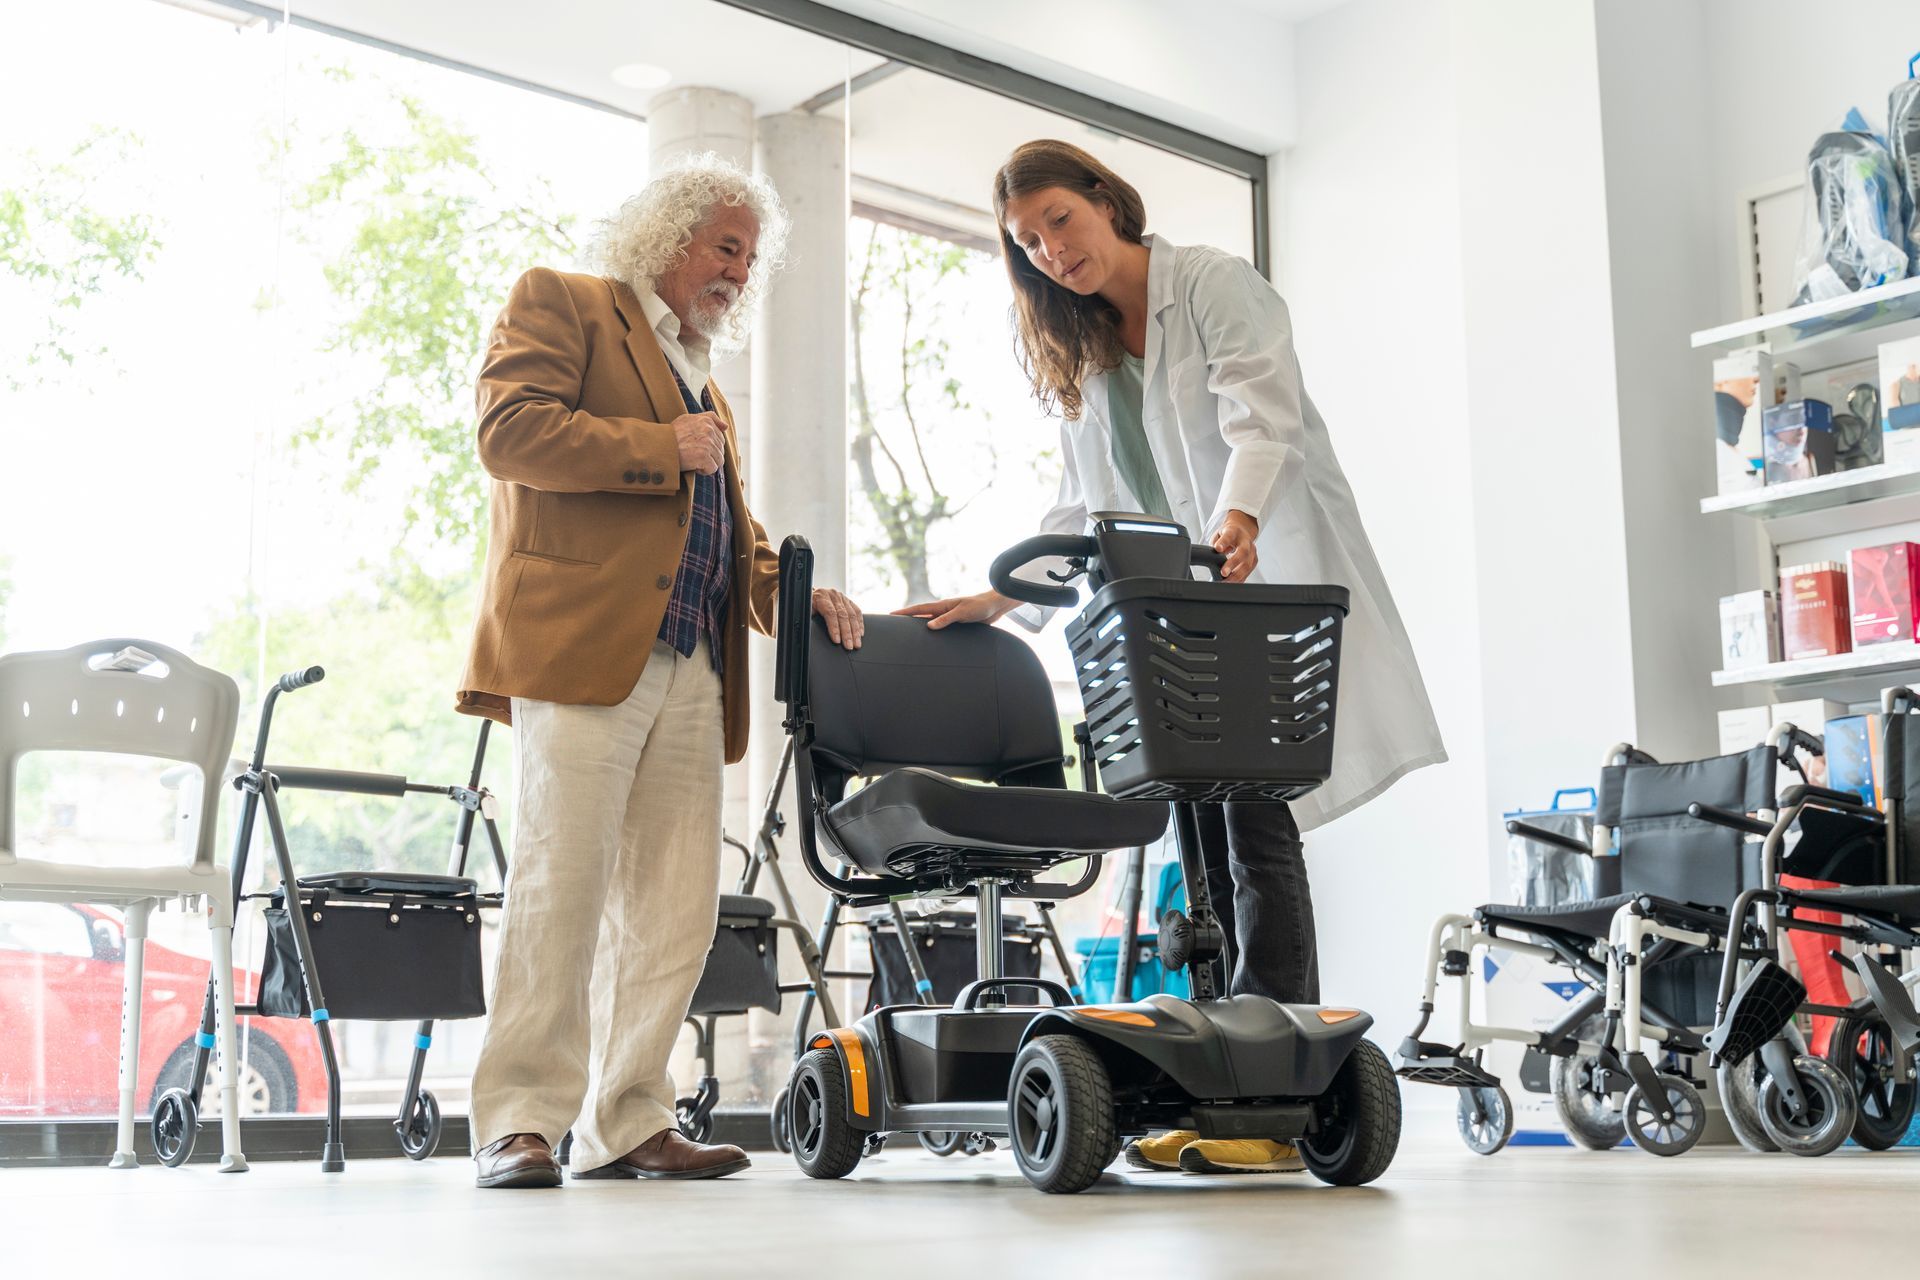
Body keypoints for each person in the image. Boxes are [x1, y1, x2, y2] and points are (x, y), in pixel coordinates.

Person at [895, 139, 1445, 1176]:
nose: (1050, 251)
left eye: (1060, 219)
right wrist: (997, 595)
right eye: (1027, 242)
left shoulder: (1215, 287)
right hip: (1173, 616)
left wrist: (1237, 517)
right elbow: (1083, 500)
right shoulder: (1092, 352)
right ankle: (1215, 1063)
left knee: (1254, 818)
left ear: (1106, 201)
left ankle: (1271, 1086)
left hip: (1255, 580)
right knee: (1193, 815)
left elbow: (1260, 411)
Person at [457, 153, 865, 1189]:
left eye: (751, 254)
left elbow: (733, 532)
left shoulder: (707, 384)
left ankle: (628, 1114)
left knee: (674, 902)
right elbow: (508, 432)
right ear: (667, 232)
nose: (740, 267)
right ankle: (520, 1119)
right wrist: (657, 445)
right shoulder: (568, 303)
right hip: (585, 645)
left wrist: (793, 589)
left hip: (692, 666)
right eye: (726, 243)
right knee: (561, 883)